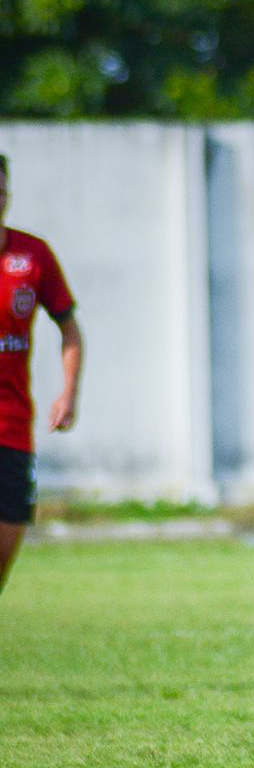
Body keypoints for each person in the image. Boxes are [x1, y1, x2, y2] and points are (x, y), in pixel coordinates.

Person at [0, 154, 84, 591]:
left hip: (12, 428)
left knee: (5, 552)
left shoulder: (32, 256)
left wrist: (67, 393)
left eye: (0, 190)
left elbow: (70, 329)